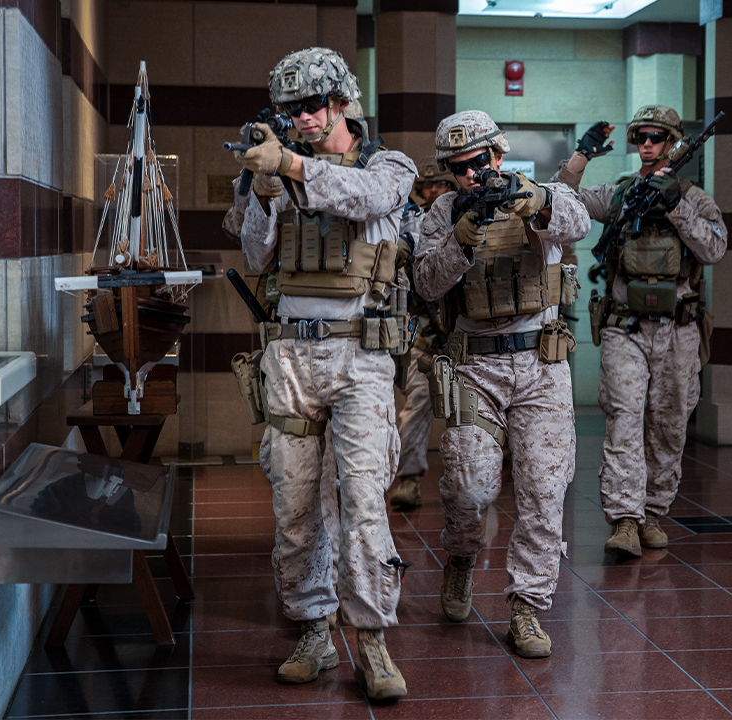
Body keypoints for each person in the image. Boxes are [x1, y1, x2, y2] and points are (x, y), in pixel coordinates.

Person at [228, 47, 415, 701]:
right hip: (290, 357)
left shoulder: (387, 164)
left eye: (311, 106)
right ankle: (314, 628)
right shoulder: (277, 169)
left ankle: (371, 640)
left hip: (360, 356)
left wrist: (294, 164)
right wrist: (262, 189)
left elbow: (372, 199)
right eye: (289, 112)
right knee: (297, 505)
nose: (302, 119)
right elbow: (255, 252)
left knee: (363, 505)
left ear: (342, 102)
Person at [414, 110, 590, 658]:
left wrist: (537, 203)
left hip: (541, 366)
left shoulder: (539, 196)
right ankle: (462, 556)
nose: (472, 175)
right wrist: (459, 244)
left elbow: (578, 222)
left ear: (498, 154)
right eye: (458, 168)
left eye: (479, 162)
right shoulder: (442, 213)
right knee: (468, 488)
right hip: (476, 367)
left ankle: (527, 606)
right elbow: (424, 282)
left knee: (544, 490)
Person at [554, 106, 727, 560]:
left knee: (669, 422)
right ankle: (625, 520)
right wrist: (582, 155)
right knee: (624, 418)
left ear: (671, 143)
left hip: (678, 329)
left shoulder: (692, 196)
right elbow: (562, 198)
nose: (647, 144)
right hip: (624, 326)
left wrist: (675, 205)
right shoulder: (620, 194)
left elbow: (714, 248)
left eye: (656, 137)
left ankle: (652, 512)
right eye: (640, 137)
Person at [388, 158, 457, 511]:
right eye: (430, 185)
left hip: (468, 333)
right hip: (424, 333)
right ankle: (409, 479)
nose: (436, 191)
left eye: (443, 185)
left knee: (475, 411)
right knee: (416, 405)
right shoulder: (411, 220)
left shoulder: (466, 218)